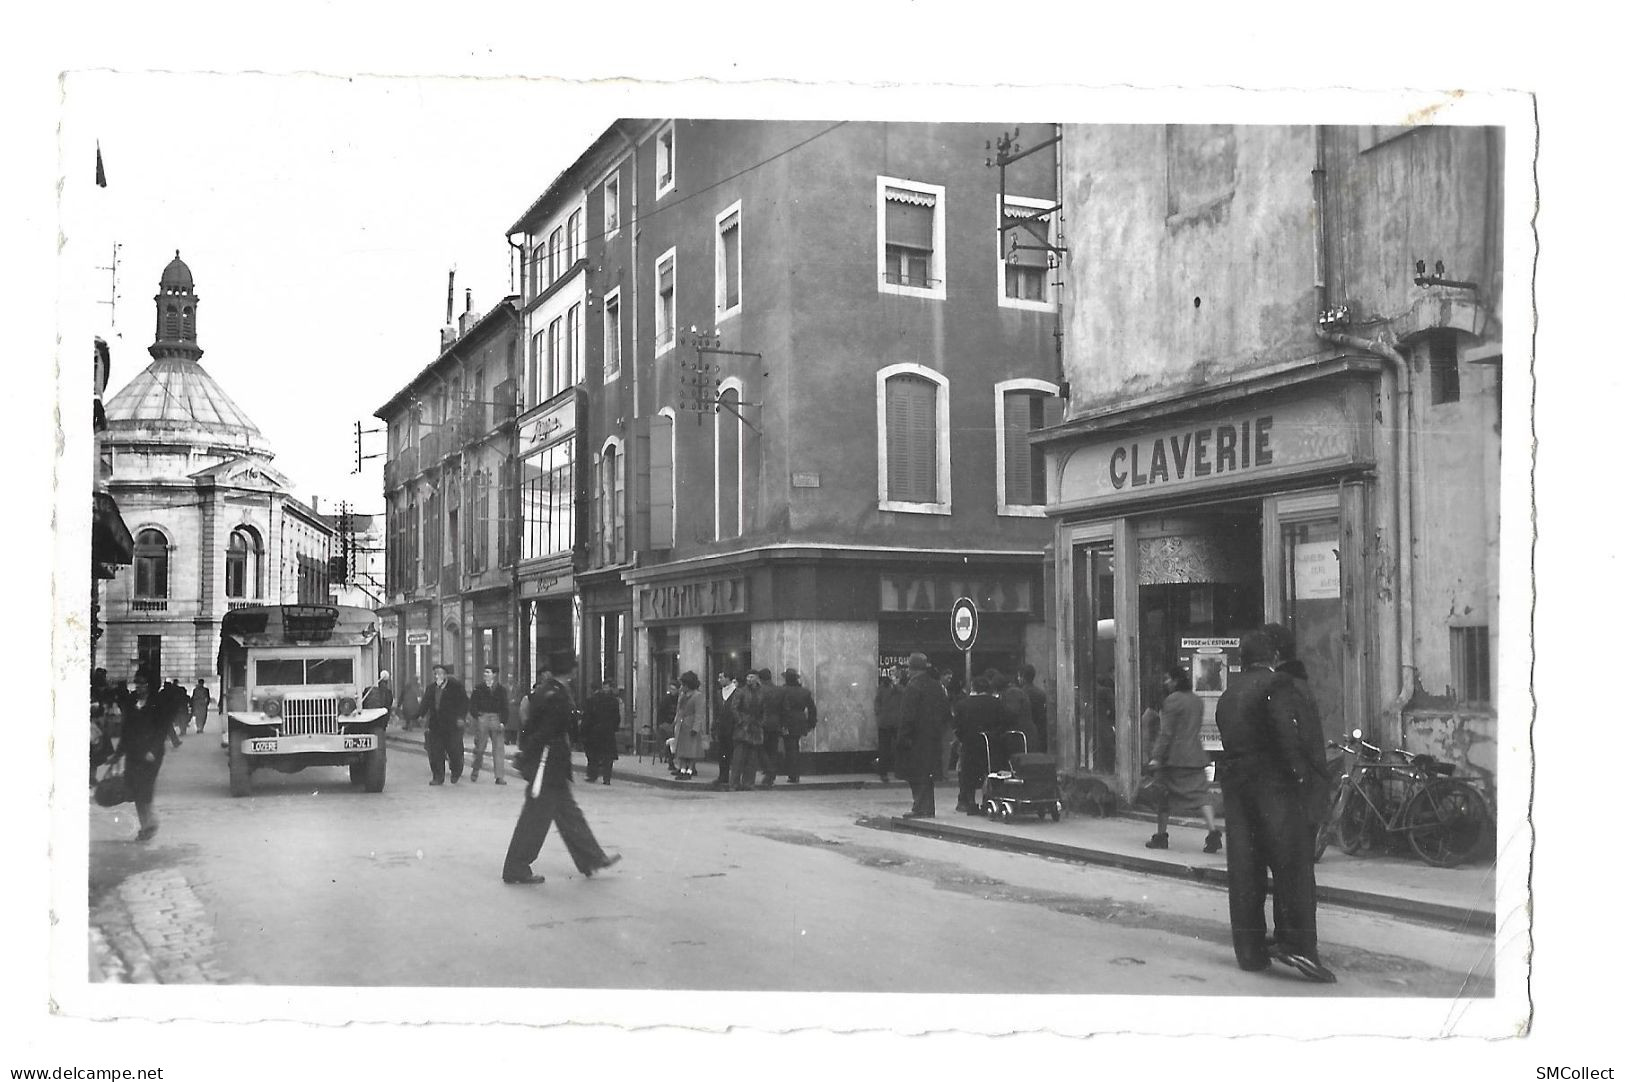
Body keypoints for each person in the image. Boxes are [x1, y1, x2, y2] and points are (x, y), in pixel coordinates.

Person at [1214, 630, 1334, 984]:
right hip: (1274, 787)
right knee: (1292, 865)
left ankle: (1250, 951)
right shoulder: (1276, 685)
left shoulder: (1228, 693)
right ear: (1273, 656)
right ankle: (1296, 944)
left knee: (1245, 869)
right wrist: (1303, 779)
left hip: (1237, 787)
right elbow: (1287, 735)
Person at [502, 652, 621, 885]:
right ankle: (516, 867)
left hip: (547, 764)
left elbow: (529, 726)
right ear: (571, 671)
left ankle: (591, 859)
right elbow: (548, 730)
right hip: (548, 764)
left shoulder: (544, 691)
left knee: (569, 814)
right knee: (535, 820)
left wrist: (526, 752)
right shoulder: (557, 695)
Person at [1145, 664, 1221, 852]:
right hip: (1195, 755)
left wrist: (1155, 756)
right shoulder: (1196, 700)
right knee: (1201, 796)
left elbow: (1166, 733)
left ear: (1176, 680)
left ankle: (1161, 836)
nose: (1166, 682)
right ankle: (1213, 833)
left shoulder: (1172, 701)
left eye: (1168, 678)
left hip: (1174, 758)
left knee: (1164, 797)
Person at [115, 670, 174, 841]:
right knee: (135, 789)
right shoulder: (131, 701)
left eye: (143, 684)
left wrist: (153, 751)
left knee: (145, 788)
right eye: (137, 684)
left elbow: (162, 730)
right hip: (133, 752)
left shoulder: (158, 703)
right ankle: (145, 826)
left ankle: (151, 823)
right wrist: (118, 753)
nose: (139, 687)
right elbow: (126, 729)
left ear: (151, 685)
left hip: (150, 753)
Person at [894, 652, 950, 818]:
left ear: (911, 669)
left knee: (916, 774)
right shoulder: (936, 686)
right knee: (927, 773)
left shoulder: (913, 687)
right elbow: (946, 712)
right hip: (933, 737)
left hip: (915, 739)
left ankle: (919, 807)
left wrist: (902, 738)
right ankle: (928, 807)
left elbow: (907, 716)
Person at [953, 676, 1003, 813]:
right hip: (991, 745)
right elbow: (1003, 723)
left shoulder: (963, 704)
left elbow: (957, 727)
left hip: (970, 745)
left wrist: (963, 739)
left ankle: (968, 802)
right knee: (990, 772)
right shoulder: (997, 703)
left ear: (973, 688)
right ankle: (990, 800)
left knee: (967, 774)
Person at [413, 663, 469, 785]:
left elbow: (464, 702)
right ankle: (438, 777)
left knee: (454, 751)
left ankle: (456, 771)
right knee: (436, 752)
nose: (437, 676)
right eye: (435, 673)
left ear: (445, 674)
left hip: (452, 725)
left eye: (440, 673)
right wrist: (417, 716)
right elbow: (425, 704)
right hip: (436, 725)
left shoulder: (455, 686)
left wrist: (461, 717)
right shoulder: (431, 688)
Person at [468, 665, 510, 785]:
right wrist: (477, 715)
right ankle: (475, 769)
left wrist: (503, 722)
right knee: (480, 747)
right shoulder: (478, 688)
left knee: (498, 749)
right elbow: (472, 704)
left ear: (494, 674)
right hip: (483, 717)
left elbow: (505, 706)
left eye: (488, 672)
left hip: (496, 718)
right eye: (485, 672)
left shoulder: (501, 689)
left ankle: (499, 776)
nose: (485, 674)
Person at [581, 680, 623, 785]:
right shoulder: (613, 701)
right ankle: (606, 778)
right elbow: (617, 717)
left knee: (594, 755)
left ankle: (592, 775)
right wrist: (614, 728)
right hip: (608, 731)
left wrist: (584, 730)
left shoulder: (592, 700)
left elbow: (587, 717)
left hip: (595, 731)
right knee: (607, 756)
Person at [780, 668, 817, 783]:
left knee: (790, 748)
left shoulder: (783, 691)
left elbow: (780, 708)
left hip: (787, 721)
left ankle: (793, 774)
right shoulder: (804, 692)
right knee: (795, 747)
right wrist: (811, 723)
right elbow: (812, 708)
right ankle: (795, 773)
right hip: (800, 721)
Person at [730, 671, 765, 791]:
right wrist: (740, 720)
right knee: (738, 757)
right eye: (748, 676)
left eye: (751, 676)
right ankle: (734, 783)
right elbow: (734, 708)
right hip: (743, 727)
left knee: (752, 758)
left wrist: (761, 722)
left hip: (755, 727)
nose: (749, 679)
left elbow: (764, 709)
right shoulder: (741, 691)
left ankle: (748, 783)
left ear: (757, 678)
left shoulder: (761, 692)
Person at [671, 671, 706, 780]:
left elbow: (699, 713)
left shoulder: (697, 696)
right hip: (681, 725)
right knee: (681, 749)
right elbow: (679, 709)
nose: (681, 687)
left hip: (690, 725)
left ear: (688, 685)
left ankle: (689, 770)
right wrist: (675, 721)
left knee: (691, 750)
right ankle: (682, 769)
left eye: (683, 685)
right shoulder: (683, 695)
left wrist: (696, 728)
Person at [756, 668, 786, 787]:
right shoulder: (780, 690)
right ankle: (770, 775)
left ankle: (769, 771)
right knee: (772, 749)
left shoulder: (759, 690)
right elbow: (784, 708)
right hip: (776, 723)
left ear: (760, 678)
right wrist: (783, 723)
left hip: (762, 723)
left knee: (760, 747)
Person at [873, 670, 903, 782]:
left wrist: (897, 686)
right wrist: (879, 712)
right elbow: (877, 701)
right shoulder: (883, 688)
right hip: (885, 722)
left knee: (898, 748)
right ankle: (883, 772)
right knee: (884, 749)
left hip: (896, 722)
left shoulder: (900, 689)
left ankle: (899, 770)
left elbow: (904, 695)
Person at [711, 672, 738, 790]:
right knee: (722, 752)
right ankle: (723, 775)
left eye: (721, 677)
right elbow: (716, 710)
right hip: (721, 727)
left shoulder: (737, 692)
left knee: (733, 752)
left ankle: (734, 777)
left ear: (728, 678)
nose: (719, 679)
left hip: (733, 727)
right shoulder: (719, 693)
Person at [1017, 664, 1048, 753]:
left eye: (1019, 676)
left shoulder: (1021, 694)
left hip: (1027, 731)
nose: (1018, 679)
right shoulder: (1041, 693)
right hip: (1041, 729)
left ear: (1022, 677)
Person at [656, 681, 680, 772]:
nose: (672, 691)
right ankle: (671, 762)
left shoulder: (679, 698)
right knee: (670, 742)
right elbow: (661, 711)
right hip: (667, 724)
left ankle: (674, 761)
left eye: (674, 689)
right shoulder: (666, 699)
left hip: (676, 723)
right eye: (671, 689)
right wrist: (662, 724)